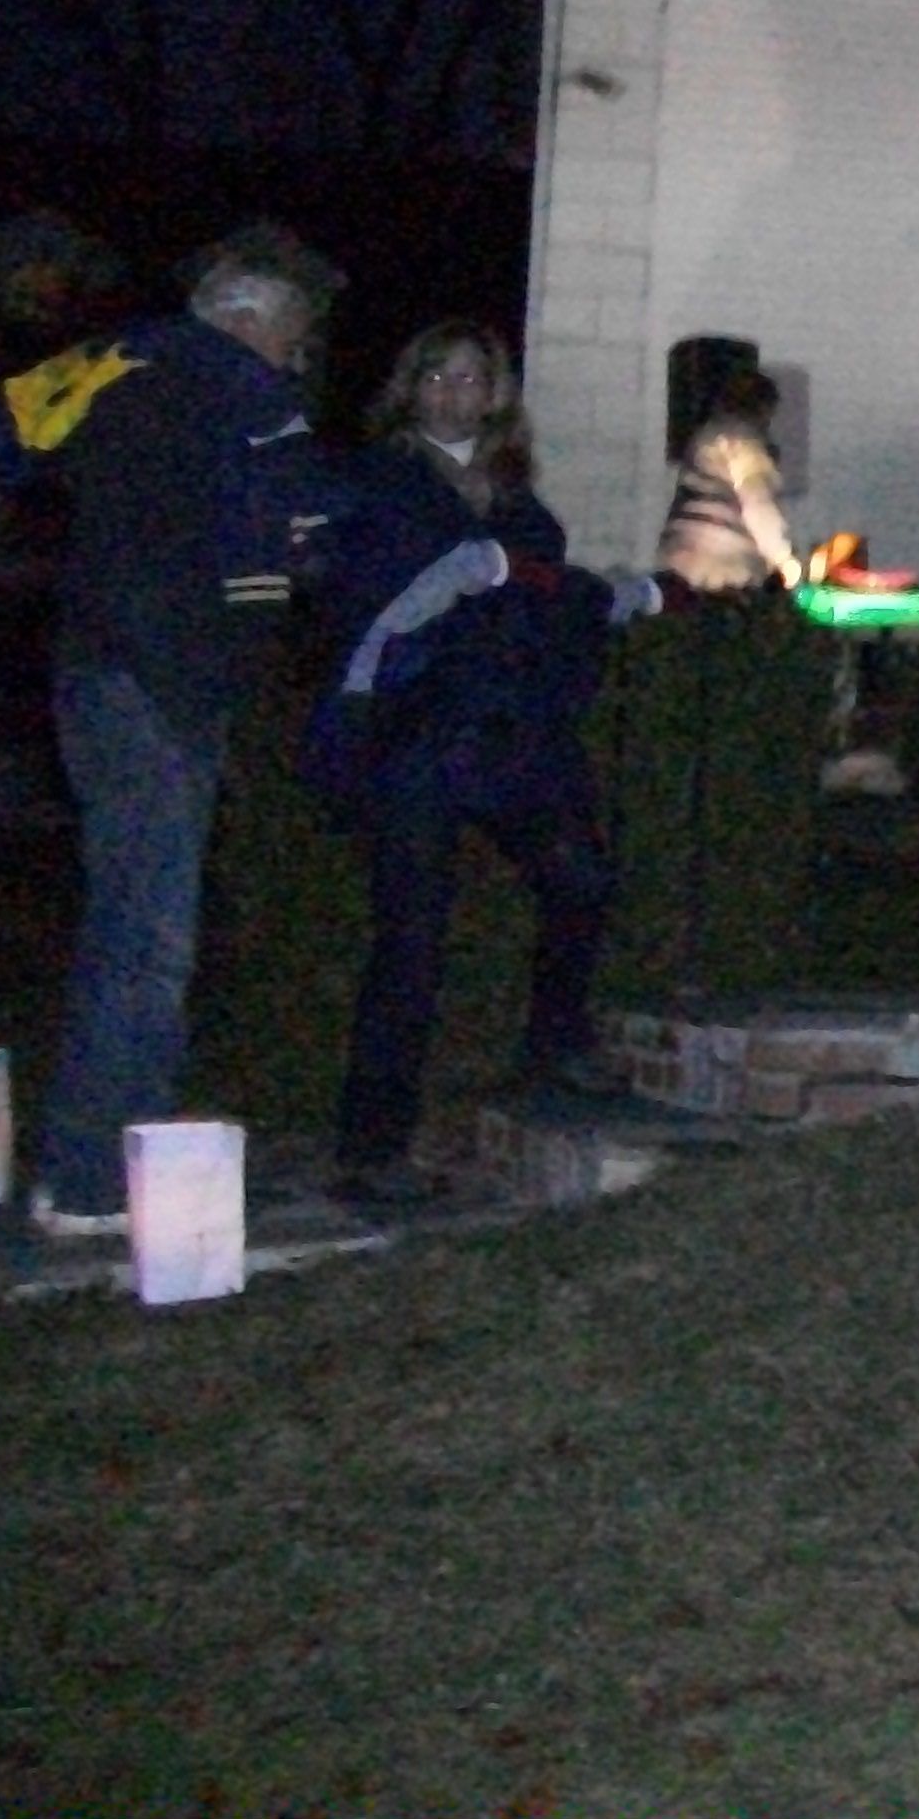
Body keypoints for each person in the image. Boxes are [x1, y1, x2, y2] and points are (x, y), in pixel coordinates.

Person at [15, 223, 342, 1239]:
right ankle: (97, 1185)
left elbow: (14, 445)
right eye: (294, 338)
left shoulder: (113, 363)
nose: (298, 359)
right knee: (151, 936)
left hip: (92, 673)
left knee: (122, 919)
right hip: (164, 686)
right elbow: (285, 549)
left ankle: (83, 1155)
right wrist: (258, 624)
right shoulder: (249, 393)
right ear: (250, 320)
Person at [308, 321, 665, 1205]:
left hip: (513, 735)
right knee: (412, 940)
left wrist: (612, 596)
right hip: (419, 736)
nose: (455, 395)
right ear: (412, 387)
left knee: (580, 876)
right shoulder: (380, 482)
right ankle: (373, 1147)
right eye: (438, 377)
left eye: (473, 380)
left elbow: (545, 595)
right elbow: (376, 603)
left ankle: (555, 1044)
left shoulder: (515, 495)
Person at [654, 365, 802, 593]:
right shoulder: (746, 444)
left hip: (678, 554)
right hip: (723, 563)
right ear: (763, 408)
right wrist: (784, 558)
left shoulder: (706, 435)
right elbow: (758, 502)